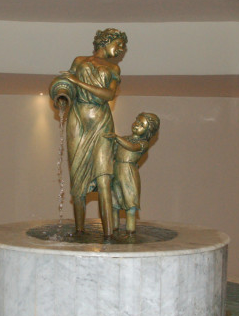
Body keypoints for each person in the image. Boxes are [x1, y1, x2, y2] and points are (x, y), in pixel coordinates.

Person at [51, 28, 127, 237]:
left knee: (104, 179)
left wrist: (77, 81)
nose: (121, 49)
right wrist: (62, 94)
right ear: (106, 41)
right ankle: (79, 231)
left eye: (123, 47)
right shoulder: (79, 61)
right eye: (119, 44)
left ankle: (109, 234)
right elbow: (65, 85)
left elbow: (108, 95)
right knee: (78, 179)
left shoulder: (114, 68)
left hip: (102, 122)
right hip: (78, 120)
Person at [105, 112, 160, 235]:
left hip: (128, 174)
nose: (136, 125)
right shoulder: (123, 138)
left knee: (130, 206)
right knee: (114, 203)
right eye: (137, 121)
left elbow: (132, 147)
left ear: (148, 131)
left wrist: (116, 138)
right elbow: (113, 151)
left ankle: (130, 232)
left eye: (141, 125)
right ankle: (113, 229)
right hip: (116, 170)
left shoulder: (143, 143)